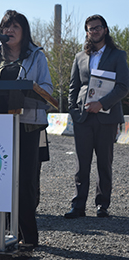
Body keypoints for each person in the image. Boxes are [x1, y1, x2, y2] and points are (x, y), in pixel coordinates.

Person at [0, 10, 53, 247]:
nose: (9, 31)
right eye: (5, 27)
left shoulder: (36, 56)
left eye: (15, 27)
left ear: (24, 32)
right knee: (3, 181)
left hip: (27, 126)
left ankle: (29, 237)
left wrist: (28, 88)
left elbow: (47, 90)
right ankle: (10, 234)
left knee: (25, 181)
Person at [64, 14, 129, 219]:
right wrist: (73, 111)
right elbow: (73, 87)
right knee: (81, 164)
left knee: (104, 164)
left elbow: (123, 86)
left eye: (98, 27)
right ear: (87, 32)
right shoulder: (79, 57)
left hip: (107, 117)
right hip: (83, 117)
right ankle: (78, 206)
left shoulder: (118, 55)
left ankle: (103, 205)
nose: (94, 31)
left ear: (105, 29)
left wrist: (102, 103)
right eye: (91, 28)